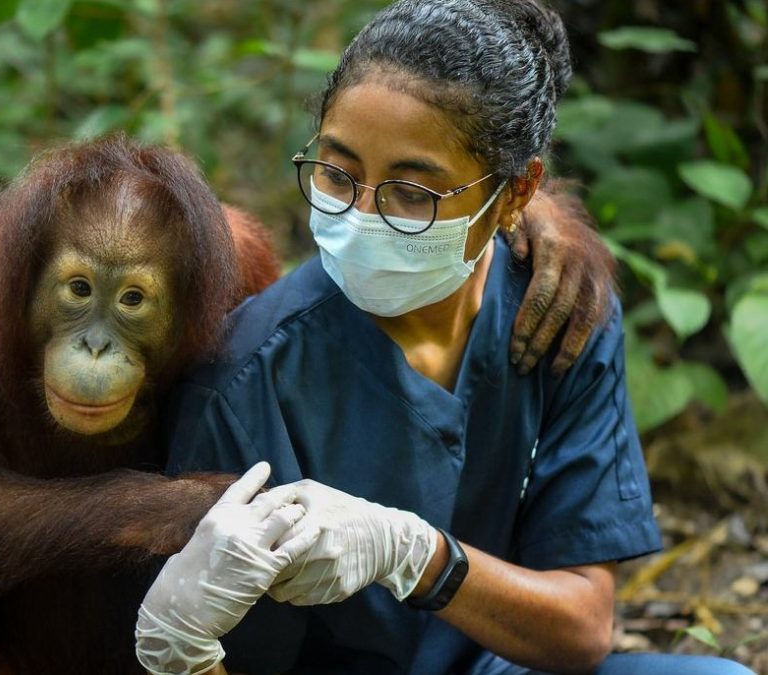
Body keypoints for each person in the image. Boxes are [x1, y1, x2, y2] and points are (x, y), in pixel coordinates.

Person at [135, 1, 756, 674]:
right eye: (338, 174)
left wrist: (415, 554)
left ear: (516, 194)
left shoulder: (559, 313)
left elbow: (580, 628)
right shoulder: (245, 378)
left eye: (412, 193)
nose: (360, 217)